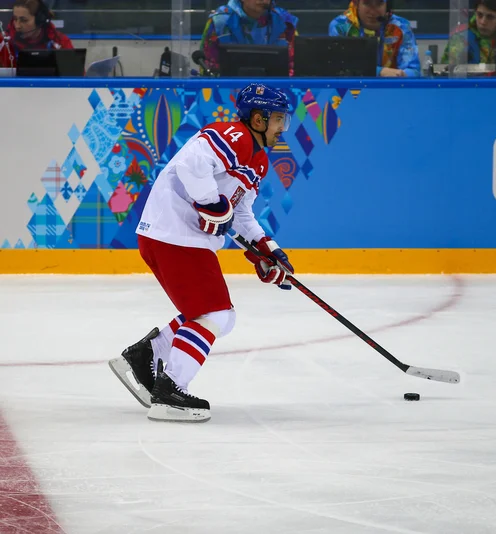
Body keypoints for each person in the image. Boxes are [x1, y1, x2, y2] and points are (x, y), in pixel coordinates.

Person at [109, 83, 295, 423]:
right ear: (258, 118)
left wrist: (266, 247)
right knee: (215, 314)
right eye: (278, 119)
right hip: (176, 235)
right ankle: (170, 391)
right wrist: (210, 202)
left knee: (217, 314)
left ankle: (146, 354)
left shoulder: (258, 160)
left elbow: (239, 213)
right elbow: (192, 164)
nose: (283, 128)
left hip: (177, 237)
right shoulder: (235, 136)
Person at [199, 0, 298, 76]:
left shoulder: (285, 22)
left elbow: (295, 67)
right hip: (228, 94)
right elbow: (208, 67)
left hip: (277, 93)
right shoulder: (219, 22)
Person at [328, 0, 420, 78]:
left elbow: (414, 71)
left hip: (391, 90)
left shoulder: (402, 26)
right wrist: (380, 72)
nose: (372, 12)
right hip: (352, 90)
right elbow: (340, 68)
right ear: (356, 3)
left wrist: (402, 74)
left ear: (387, 5)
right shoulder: (340, 26)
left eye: (379, 4)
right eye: (367, 3)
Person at [0, 0, 73, 69]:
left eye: (24, 20)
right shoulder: (3, 41)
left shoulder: (60, 42)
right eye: (15, 19)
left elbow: (76, 76)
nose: (17, 26)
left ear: (40, 20)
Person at [441, 0, 496, 65]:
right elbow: (447, 74)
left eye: (490, 17)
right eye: (479, 15)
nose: (483, 22)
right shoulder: (460, 38)